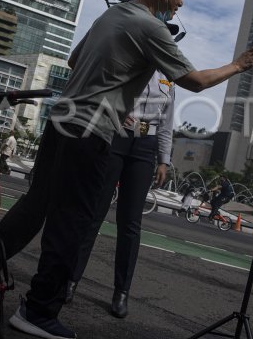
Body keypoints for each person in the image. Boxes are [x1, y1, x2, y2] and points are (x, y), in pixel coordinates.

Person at [0, 0, 253, 339]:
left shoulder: (114, 14)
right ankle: (38, 309)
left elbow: (74, 60)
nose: (181, 2)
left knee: (40, 202)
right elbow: (194, 81)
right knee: (73, 223)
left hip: (61, 120)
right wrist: (239, 64)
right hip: (91, 130)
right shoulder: (151, 26)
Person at [68, 69, 175, 318]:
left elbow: (167, 122)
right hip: (117, 137)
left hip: (145, 146)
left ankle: (121, 292)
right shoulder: (130, 62)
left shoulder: (168, 78)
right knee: (94, 212)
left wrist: (164, 160)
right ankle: (70, 280)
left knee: (130, 223)